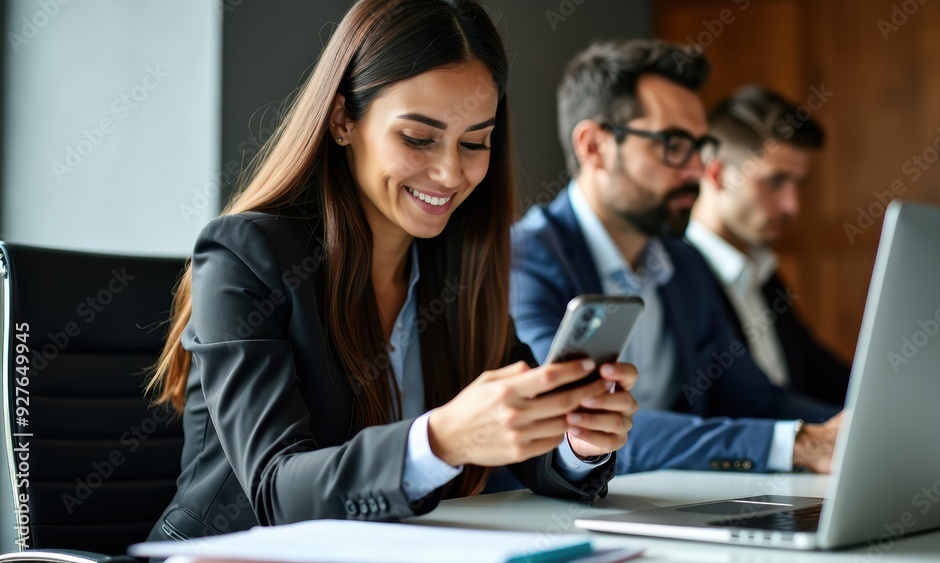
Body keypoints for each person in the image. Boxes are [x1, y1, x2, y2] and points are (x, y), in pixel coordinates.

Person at [146, 0, 637, 540]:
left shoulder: (457, 264)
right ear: (342, 121)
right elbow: (277, 490)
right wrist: (442, 439)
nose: (450, 172)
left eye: (474, 143)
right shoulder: (243, 256)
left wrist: (576, 445)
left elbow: (538, 465)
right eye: (417, 138)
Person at [510, 38, 840, 477]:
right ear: (593, 147)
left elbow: (756, 400)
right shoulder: (523, 262)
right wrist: (800, 444)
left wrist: (861, 429)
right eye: (672, 144)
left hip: (674, 502)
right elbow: (577, 427)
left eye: (701, 148)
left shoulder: (684, 263)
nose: (696, 171)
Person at [687, 85, 851, 406]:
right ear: (717, 175)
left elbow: (825, 377)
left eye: (798, 185)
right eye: (775, 182)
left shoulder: (765, 276)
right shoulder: (672, 281)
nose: (792, 206)